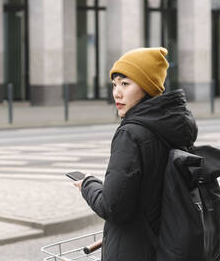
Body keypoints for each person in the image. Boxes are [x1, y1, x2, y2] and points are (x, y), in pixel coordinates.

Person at [73, 47, 198, 261]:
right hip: (165, 245)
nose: (116, 93)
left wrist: (87, 184)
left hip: (134, 251)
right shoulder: (173, 126)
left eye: (125, 83)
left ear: (147, 87)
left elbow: (113, 208)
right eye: (114, 84)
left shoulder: (131, 134)